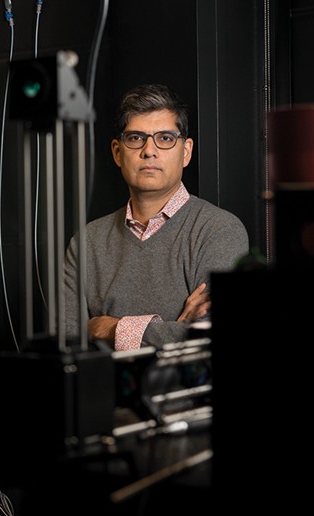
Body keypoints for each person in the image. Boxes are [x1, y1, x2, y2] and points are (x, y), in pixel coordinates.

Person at [63, 83, 249, 351]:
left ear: (185, 152)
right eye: (136, 138)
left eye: (165, 138)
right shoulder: (87, 242)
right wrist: (176, 329)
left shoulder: (219, 231)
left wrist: (109, 328)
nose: (149, 151)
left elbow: (214, 341)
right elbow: (67, 347)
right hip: (103, 393)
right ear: (117, 152)